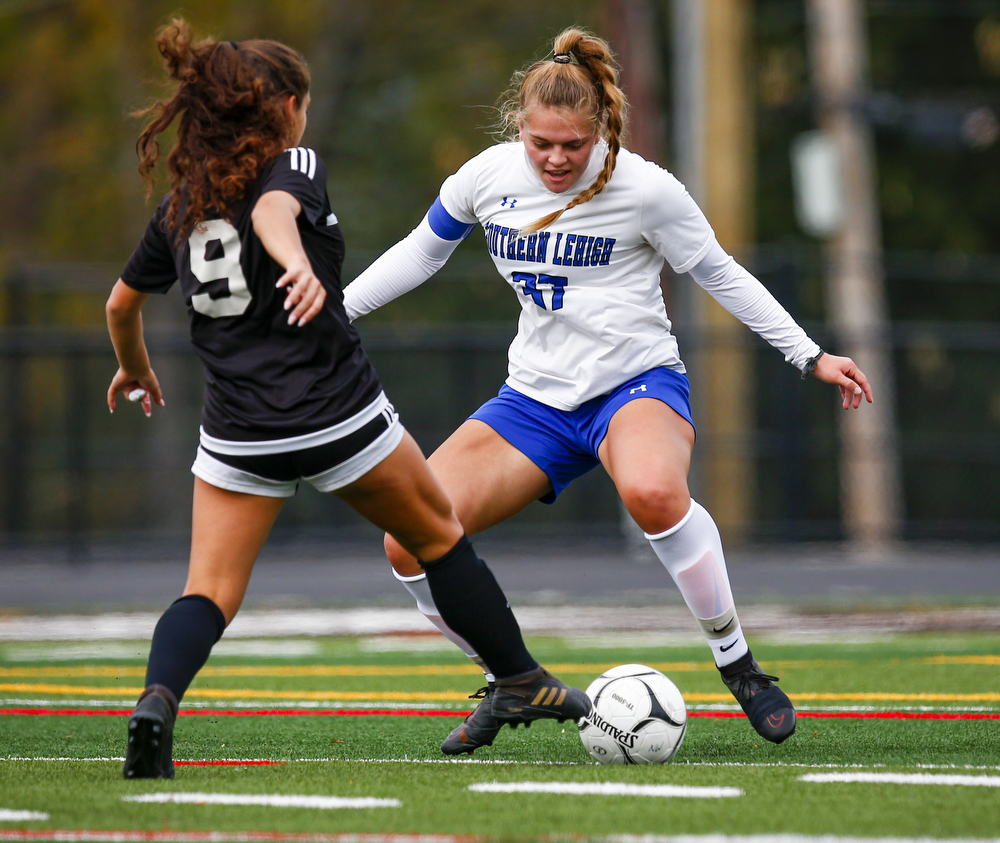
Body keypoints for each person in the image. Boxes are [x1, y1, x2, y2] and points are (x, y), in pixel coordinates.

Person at [343, 27, 874, 755]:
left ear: (601, 131)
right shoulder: (485, 177)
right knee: (406, 540)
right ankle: (510, 680)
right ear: (518, 130)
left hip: (635, 384)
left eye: (573, 145)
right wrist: (331, 312)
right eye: (541, 143)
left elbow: (718, 271)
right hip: (531, 401)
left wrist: (808, 354)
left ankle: (739, 666)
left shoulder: (646, 188)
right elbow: (420, 252)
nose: (556, 159)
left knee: (655, 494)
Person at [108, 19, 590, 780]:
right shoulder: (292, 161)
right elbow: (273, 215)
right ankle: (522, 677)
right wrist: (296, 264)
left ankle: (156, 701)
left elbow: (120, 305)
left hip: (238, 431)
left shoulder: (182, 203)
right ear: (287, 107)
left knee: (208, 589)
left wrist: (133, 369)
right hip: (335, 413)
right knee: (437, 530)